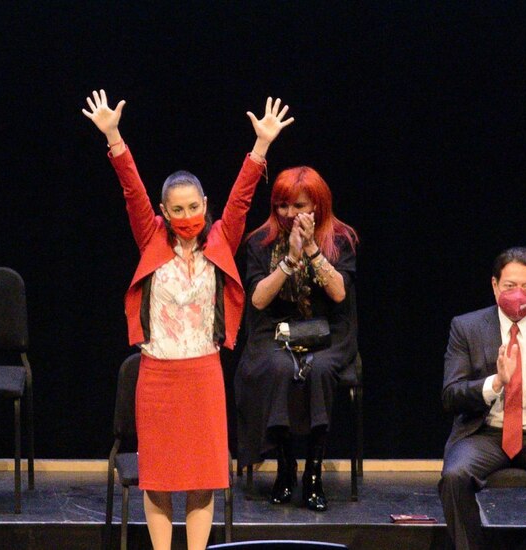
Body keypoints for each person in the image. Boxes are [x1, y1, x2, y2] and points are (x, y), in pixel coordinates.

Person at [82, 90, 292, 550]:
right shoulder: (152, 241)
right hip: (157, 378)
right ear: (164, 213)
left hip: (203, 375)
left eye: (193, 207)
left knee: (201, 479)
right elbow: (133, 190)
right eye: (176, 210)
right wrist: (114, 137)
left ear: (203, 204)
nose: (186, 217)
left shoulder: (219, 245)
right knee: (157, 480)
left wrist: (261, 148)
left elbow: (240, 202)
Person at [440, 247, 526, 550]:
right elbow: (451, 396)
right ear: (494, 286)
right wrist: (495, 382)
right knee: (454, 476)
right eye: (509, 286)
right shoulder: (466, 328)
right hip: (484, 434)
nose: (518, 294)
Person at [234, 166, 358, 511]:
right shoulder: (261, 241)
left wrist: (313, 250)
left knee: (317, 370)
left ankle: (314, 473)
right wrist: (290, 258)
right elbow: (258, 300)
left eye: (299, 206)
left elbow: (338, 294)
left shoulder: (341, 239)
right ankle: (286, 466)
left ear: (317, 205)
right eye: (282, 206)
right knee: (278, 368)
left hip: (329, 330)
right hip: (275, 329)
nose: (289, 214)